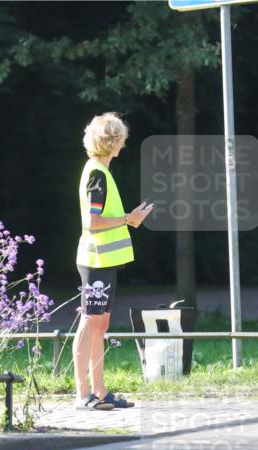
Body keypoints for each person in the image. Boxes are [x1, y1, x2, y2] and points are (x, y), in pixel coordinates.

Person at [74, 112, 153, 410]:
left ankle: (101, 392)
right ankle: (83, 395)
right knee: (90, 322)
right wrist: (128, 219)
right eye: (120, 137)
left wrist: (129, 220)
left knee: (100, 323)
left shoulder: (99, 171)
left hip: (104, 261)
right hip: (96, 260)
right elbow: (92, 223)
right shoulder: (96, 174)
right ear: (113, 141)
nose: (124, 142)